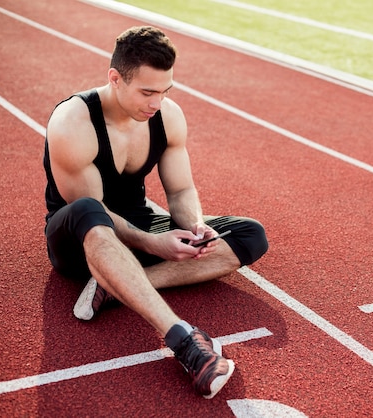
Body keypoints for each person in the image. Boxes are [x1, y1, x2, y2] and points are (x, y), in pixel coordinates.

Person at [43, 26, 268, 399]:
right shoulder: (73, 123)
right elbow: (94, 212)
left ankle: (114, 288)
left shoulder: (167, 116)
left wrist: (195, 225)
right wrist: (155, 244)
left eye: (165, 92)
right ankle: (185, 342)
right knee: (87, 210)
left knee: (250, 234)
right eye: (147, 92)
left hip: (140, 226)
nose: (156, 103)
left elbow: (180, 190)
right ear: (115, 78)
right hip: (79, 240)